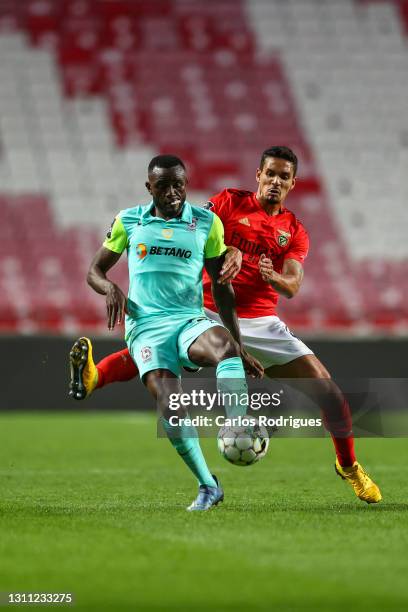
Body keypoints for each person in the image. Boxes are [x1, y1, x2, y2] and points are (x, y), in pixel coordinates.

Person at [70, 146, 381, 504]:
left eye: (284, 176)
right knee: (164, 355)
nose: (275, 181)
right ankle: (234, 423)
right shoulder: (229, 203)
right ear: (258, 176)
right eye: (270, 174)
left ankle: (350, 467)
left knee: (330, 394)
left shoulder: (294, 231)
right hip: (209, 308)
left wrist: (273, 276)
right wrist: (230, 252)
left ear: (293, 183)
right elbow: (192, 226)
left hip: (262, 320)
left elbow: (293, 285)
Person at [81, 154, 262, 512]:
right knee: (171, 406)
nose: (173, 192)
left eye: (178, 184)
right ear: (149, 187)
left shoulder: (206, 223)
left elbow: (223, 289)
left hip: (188, 320)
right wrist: (110, 288)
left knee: (223, 347)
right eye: (163, 185)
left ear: (187, 183)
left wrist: (239, 345)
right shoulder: (129, 221)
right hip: (146, 327)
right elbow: (94, 271)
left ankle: (237, 425)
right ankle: (208, 485)